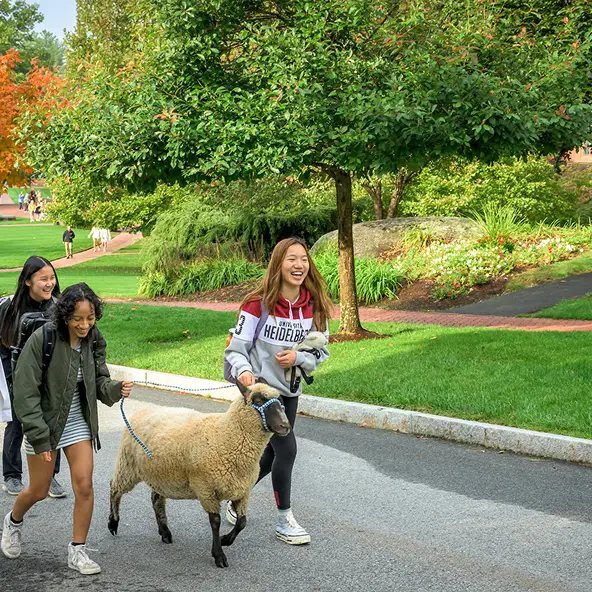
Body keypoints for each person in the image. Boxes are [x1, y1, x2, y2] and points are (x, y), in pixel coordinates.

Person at [0, 282, 133, 574]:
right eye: (78, 319)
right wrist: (39, 437)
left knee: (84, 486)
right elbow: (25, 392)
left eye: (90, 318)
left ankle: (78, 551)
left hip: (78, 423)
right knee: (38, 489)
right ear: (64, 316)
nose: (85, 325)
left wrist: (114, 389)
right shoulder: (43, 339)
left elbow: (98, 381)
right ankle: (13, 521)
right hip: (44, 424)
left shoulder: (94, 339)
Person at [224, 237, 331, 545]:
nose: (299, 265)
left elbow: (322, 351)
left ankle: (235, 497)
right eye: (291, 259)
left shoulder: (315, 304)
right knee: (287, 448)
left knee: (270, 455)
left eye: (304, 260)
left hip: (290, 390)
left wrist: (299, 358)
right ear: (278, 263)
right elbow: (236, 349)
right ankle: (285, 520)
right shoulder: (257, 304)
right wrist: (245, 373)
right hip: (262, 394)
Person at [0, 256, 66, 498]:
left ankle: (49, 477)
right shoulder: (9, 308)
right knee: (17, 424)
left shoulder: (58, 307)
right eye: (43, 279)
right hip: (16, 375)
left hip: (50, 377)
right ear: (28, 281)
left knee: (49, 424)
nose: (49, 283)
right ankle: (12, 475)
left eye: (52, 278)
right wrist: (9, 379)